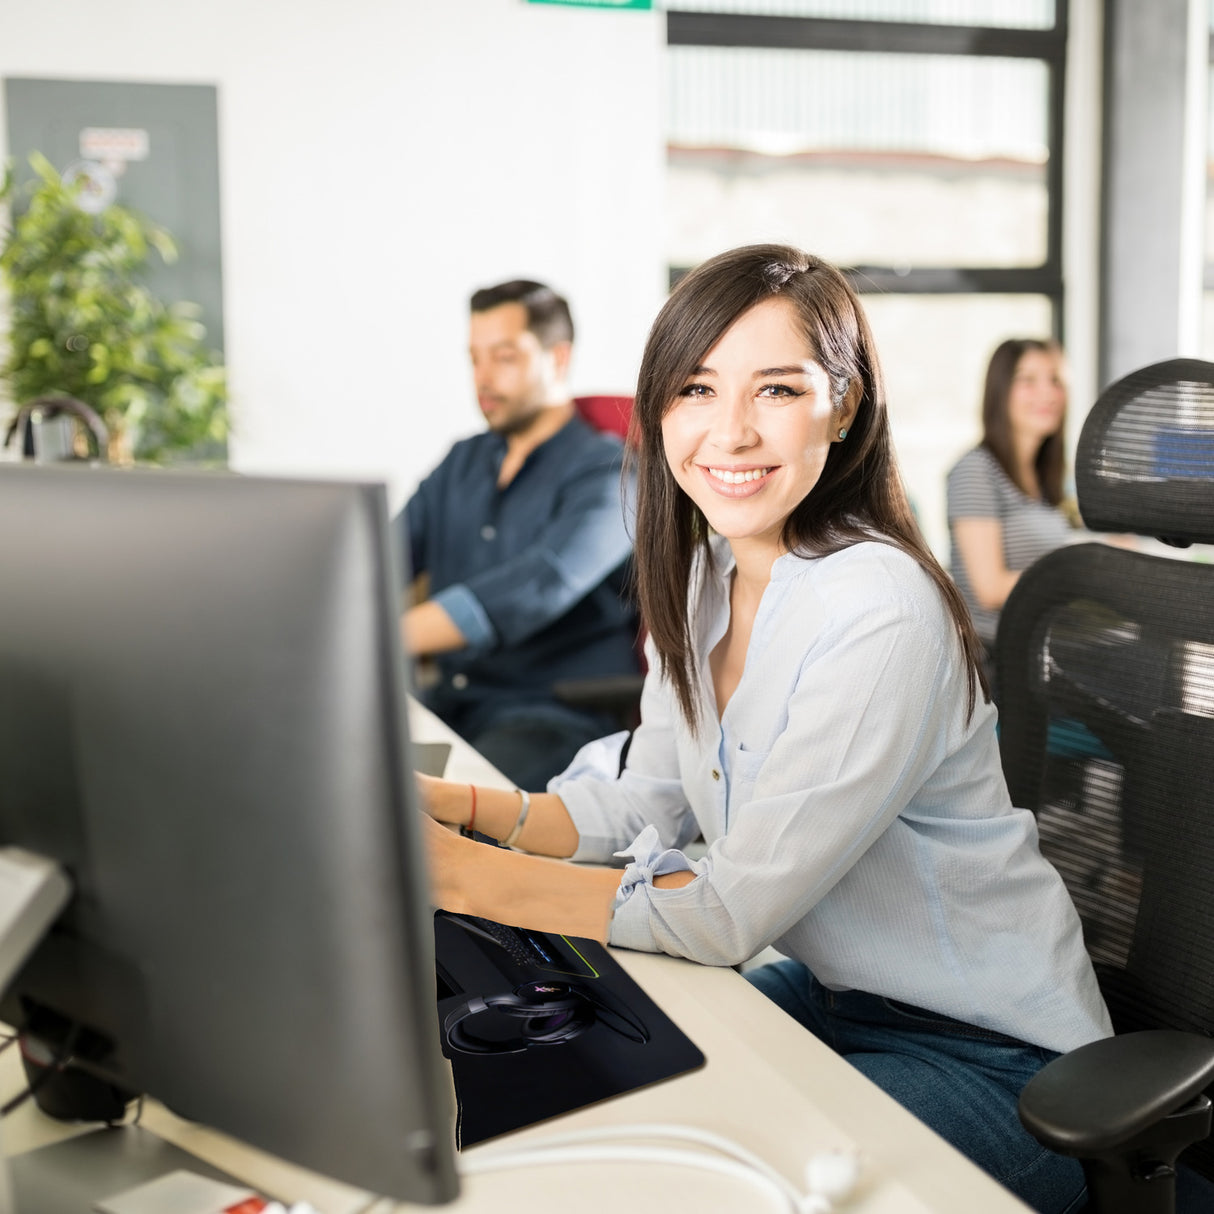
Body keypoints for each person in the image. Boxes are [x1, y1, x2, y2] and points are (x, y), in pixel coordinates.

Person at [418, 245, 1111, 1214]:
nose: (729, 430)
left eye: (776, 388)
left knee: (713, 1194)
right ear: (658, 408)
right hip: (831, 996)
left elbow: (725, 909)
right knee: (587, 1115)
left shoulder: (879, 606)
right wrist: (443, 806)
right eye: (695, 388)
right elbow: (640, 795)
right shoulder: (704, 572)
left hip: (994, 1056)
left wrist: (450, 873)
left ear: (843, 404)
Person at [398, 279, 639, 790]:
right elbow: (375, 561)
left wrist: (381, 636)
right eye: (474, 359)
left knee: (439, 820)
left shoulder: (612, 473)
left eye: (503, 357)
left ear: (557, 358)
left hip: (554, 714)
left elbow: (540, 585)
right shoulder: (461, 461)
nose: (482, 378)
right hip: (454, 702)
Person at [946, 338, 1082, 678]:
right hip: (999, 660)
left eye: (1055, 380)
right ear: (1000, 391)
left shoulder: (1044, 479)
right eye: (1028, 380)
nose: (1047, 393)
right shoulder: (975, 470)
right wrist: (1084, 570)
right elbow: (989, 588)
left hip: (1042, 649)